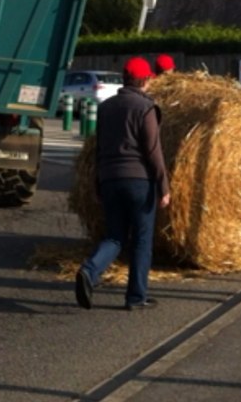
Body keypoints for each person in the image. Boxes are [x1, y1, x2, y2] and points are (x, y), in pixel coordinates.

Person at [75, 56, 171, 311]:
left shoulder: (106, 107)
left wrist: (98, 182)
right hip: (139, 181)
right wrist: (163, 186)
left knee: (115, 236)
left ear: (124, 79)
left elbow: (98, 148)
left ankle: (89, 270)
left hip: (110, 179)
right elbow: (153, 150)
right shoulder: (146, 107)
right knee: (141, 239)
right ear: (146, 80)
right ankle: (136, 297)